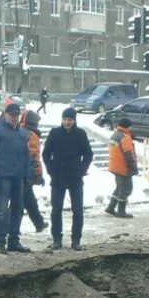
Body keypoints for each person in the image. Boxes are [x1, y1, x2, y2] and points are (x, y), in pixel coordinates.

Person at [0, 103, 32, 254]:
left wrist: (27, 175)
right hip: (3, 177)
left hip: (18, 178)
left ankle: (14, 241)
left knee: (18, 210)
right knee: (2, 211)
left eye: (16, 115)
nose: (14, 118)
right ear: (5, 115)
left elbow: (26, 156)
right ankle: (0, 242)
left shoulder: (22, 133)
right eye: (11, 115)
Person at [43, 108, 93, 251]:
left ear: (74, 120)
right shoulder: (55, 133)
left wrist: (82, 169)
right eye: (65, 119)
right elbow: (46, 154)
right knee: (56, 210)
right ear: (62, 119)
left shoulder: (80, 134)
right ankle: (56, 240)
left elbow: (88, 154)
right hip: (58, 177)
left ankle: (76, 240)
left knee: (77, 210)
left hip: (75, 177)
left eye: (70, 119)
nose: (67, 122)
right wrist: (51, 170)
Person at [105, 117, 137, 218]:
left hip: (115, 165)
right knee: (126, 188)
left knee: (119, 187)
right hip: (123, 167)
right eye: (130, 126)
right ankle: (121, 211)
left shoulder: (115, 135)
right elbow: (128, 154)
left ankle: (111, 207)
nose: (131, 128)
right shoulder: (125, 137)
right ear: (127, 126)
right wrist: (133, 166)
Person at [22, 110, 48, 233]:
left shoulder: (20, 131)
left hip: (20, 172)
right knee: (21, 202)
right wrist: (38, 174)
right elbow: (33, 156)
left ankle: (39, 223)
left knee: (29, 201)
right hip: (28, 174)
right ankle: (9, 227)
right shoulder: (31, 135)